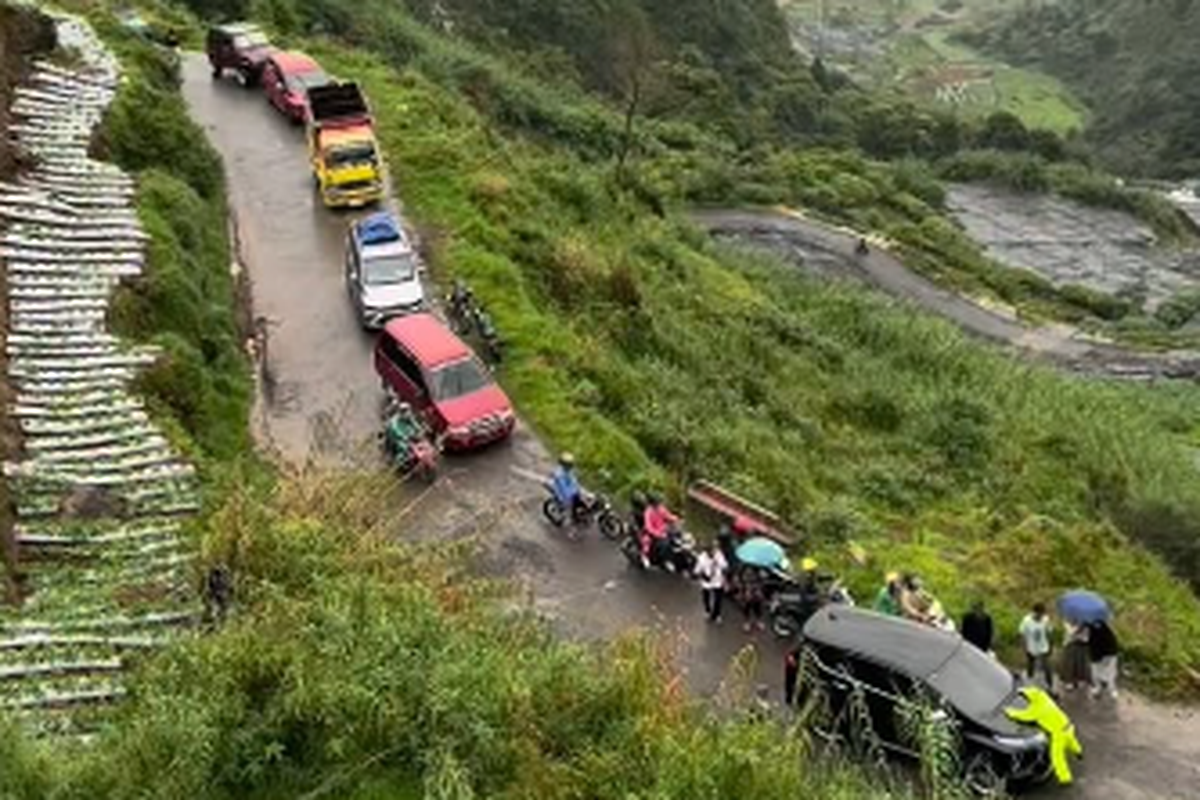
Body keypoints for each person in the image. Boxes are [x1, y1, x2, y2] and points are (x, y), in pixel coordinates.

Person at [1005, 685, 1082, 785]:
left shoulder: (1036, 710)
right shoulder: (1044, 698)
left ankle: (1065, 778)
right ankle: (1078, 752)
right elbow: (1034, 692)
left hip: (1058, 733)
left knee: (1057, 756)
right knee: (1071, 740)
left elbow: (1023, 716)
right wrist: (1022, 690)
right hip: (1067, 724)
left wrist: (1008, 711)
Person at [1020, 602, 1055, 691]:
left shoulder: (1046, 620)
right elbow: (1022, 635)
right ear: (1034, 612)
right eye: (1039, 614)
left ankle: (1050, 687)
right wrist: (1024, 649)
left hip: (1043, 648)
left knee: (1047, 668)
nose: (1041, 616)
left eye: (1042, 614)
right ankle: (1029, 685)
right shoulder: (1026, 621)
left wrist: (1051, 646)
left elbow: (1049, 633)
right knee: (1030, 667)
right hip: (1031, 648)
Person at [641, 493, 679, 569]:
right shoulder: (648, 512)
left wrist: (675, 519)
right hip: (653, 533)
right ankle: (664, 560)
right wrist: (659, 534)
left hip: (664, 530)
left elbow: (667, 515)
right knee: (664, 544)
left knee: (677, 537)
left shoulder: (661, 508)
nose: (659, 504)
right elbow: (649, 527)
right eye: (657, 502)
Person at [694, 541, 728, 623]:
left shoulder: (719, 555)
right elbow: (696, 570)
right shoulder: (701, 557)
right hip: (707, 581)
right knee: (706, 597)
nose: (713, 552)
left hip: (717, 580)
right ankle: (707, 611)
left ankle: (717, 614)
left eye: (714, 550)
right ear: (707, 551)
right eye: (711, 551)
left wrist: (719, 562)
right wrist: (702, 575)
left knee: (718, 599)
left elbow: (725, 566)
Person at [1088, 619, 1120, 699]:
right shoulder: (1087, 622)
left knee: (1110, 671)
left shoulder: (1106, 619)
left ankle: (1112, 688)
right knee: (1095, 671)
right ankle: (1097, 687)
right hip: (1095, 649)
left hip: (1109, 648)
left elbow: (1112, 635)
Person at [549, 452, 585, 520]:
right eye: (569, 465)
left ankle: (577, 512)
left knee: (580, 499)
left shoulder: (568, 471)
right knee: (571, 503)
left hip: (569, 488)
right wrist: (572, 493)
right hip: (562, 493)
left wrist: (577, 486)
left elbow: (573, 479)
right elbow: (563, 488)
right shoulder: (560, 475)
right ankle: (568, 515)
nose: (571, 466)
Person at [1060, 620, 1092, 692]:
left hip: (1082, 644)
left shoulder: (1086, 620)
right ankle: (1069, 681)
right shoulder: (1067, 619)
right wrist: (1079, 626)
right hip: (1071, 643)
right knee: (1070, 663)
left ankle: (1080, 679)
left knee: (1080, 663)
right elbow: (1071, 632)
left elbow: (1087, 635)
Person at [741, 565, 766, 633]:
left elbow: (762, 581)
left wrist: (762, 576)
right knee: (748, 606)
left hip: (757, 590)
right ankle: (747, 622)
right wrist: (747, 590)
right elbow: (744, 580)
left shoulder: (761, 570)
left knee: (758, 606)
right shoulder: (747, 569)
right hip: (748, 589)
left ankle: (758, 621)